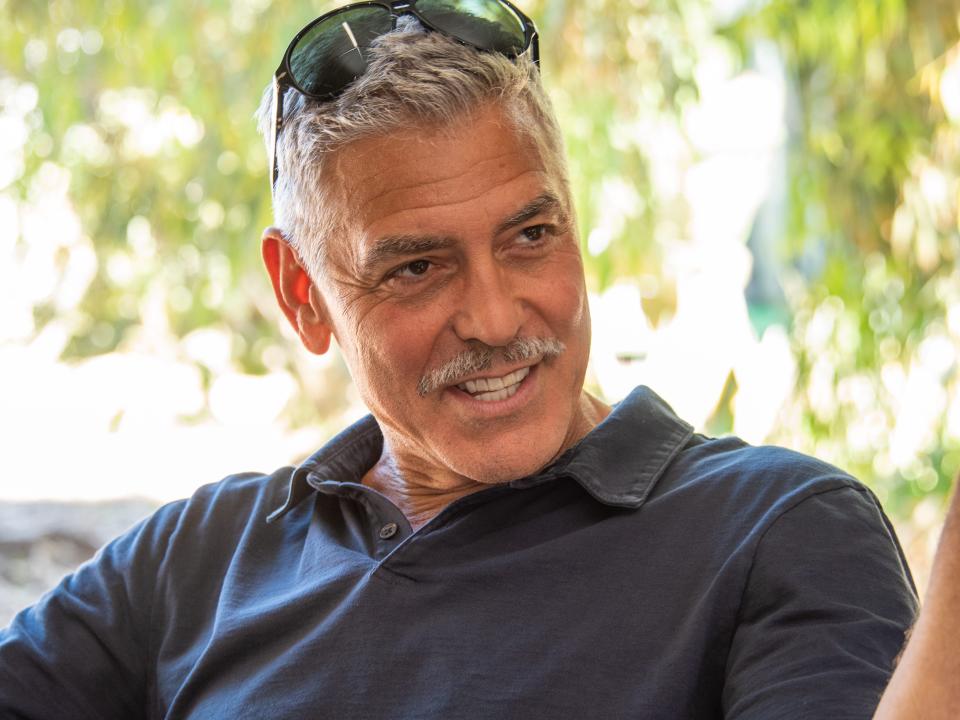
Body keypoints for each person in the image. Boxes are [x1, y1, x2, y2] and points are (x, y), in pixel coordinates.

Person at [0, 2, 925, 717]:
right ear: (301, 296)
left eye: (530, 234)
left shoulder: (779, 531)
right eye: (414, 267)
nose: (492, 316)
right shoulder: (195, 559)